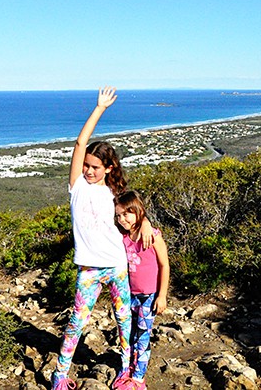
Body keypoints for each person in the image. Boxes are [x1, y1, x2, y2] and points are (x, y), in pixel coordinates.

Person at [52, 87, 153, 390]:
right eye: (86, 165)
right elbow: (81, 142)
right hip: (88, 269)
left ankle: (125, 370)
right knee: (76, 323)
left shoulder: (114, 192)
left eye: (96, 167)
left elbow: (133, 212)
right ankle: (60, 375)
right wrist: (100, 109)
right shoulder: (77, 187)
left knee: (124, 321)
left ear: (108, 168)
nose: (89, 170)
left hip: (117, 265)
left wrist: (146, 222)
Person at [114, 190, 170, 390]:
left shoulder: (152, 236)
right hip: (129, 296)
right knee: (128, 335)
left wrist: (162, 295)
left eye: (126, 214)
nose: (122, 219)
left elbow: (164, 265)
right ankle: (127, 369)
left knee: (143, 338)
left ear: (137, 211)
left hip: (148, 296)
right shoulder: (122, 237)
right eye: (118, 215)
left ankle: (138, 378)